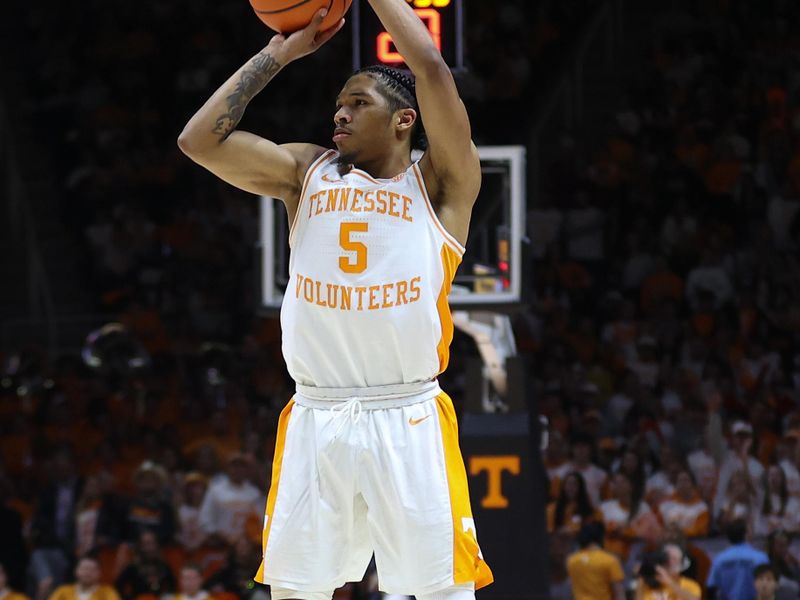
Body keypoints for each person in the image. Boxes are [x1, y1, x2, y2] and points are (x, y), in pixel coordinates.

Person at [178, 0, 492, 598]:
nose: (339, 115)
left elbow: (427, 65)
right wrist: (276, 53)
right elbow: (198, 141)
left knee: (443, 592)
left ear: (404, 121)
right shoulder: (306, 173)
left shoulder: (441, 186)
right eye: (338, 104)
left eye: (358, 103)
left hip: (409, 413)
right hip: (317, 412)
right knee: (295, 590)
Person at [707, 519, 769, 600]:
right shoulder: (761, 558)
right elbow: (767, 588)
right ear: (747, 534)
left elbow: (711, 587)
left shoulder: (719, 559)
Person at [566, 522, 625, 600]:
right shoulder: (609, 560)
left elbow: (569, 589)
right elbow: (618, 592)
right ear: (601, 537)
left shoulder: (571, 560)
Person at [635, 544, 701, 600]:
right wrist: (642, 575)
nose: (670, 562)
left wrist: (669, 582)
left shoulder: (690, 585)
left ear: (681, 563)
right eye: (667, 559)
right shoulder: (649, 584)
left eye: (674, 559)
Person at [47, 556, 120, 600]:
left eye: (92, 569)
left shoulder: (108, 592)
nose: (88, 572)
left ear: (99, 573)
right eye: (84, 568)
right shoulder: (63, 591)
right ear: (76, 571)